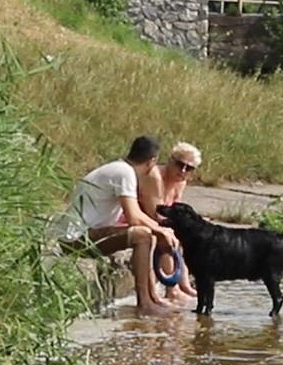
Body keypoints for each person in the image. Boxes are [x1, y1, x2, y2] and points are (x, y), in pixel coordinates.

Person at [58, 135, 180, 314]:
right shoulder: (125, 173)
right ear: (152, 161)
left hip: (85, 234)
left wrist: (160, 231)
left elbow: (137, 214)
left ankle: (153, 297)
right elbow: (134, 217)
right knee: (143, 235)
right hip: (75, 239)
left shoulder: (119, 168)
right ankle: (144, 302)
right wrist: (161, 230)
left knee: (149, 234)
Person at [137, 142, 204, 304]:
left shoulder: (181, 181)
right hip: (139, 217)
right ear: (170, 160)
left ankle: (184, 285)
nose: (183, 171)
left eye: (189, 168)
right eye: (180, 165)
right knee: (167, 236)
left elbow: (176, 212)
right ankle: (172, 288)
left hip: (156, 220)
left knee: (187, 235)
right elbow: (154, 213)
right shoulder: (155, 175)